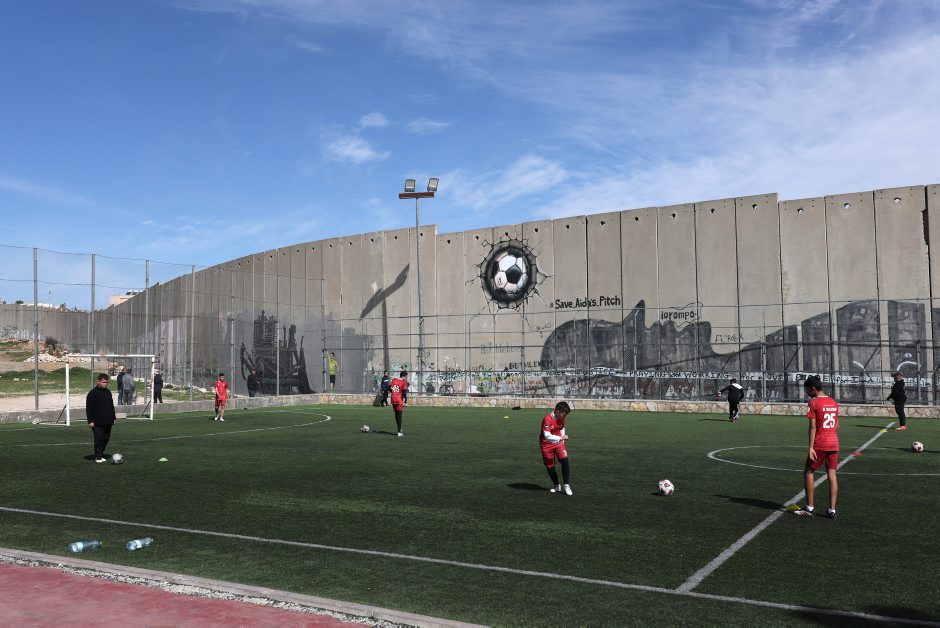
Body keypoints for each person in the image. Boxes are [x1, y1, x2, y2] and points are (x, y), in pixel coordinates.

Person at [794, 375, 839, 519]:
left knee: (808, 472)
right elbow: (836, 425)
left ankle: (809, 508)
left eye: (807, 389)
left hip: (820, 443)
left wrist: (810, 447)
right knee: (832, 475)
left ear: (813, 388)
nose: (806, 392)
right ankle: (832, 510)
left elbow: (812, 427)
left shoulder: (813, 403)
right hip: (834, 443)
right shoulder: (833, 402)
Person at [540, 401, 573, 495]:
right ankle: (556, 485)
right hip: (546, 444)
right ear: (558, 412)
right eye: (564, 415)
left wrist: (561, 440)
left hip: (558, 443)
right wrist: (560, 438)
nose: (565, 417)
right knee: (550, 466)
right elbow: (547, 436)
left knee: (565, 461)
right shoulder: (547, 419)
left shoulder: (561, 418)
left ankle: (566, 485)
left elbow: (562, 428)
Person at [86, 373, 117, 463]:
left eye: (106, 382)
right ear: (98, 382)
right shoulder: (92, 393)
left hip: (108, 420)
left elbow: (111, 406)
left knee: (106, 438)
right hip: (97, 421)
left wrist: (113, 418)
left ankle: (100, 453)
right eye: (103, 382)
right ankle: (98, 456)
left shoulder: (108, 392)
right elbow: (89, 408)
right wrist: (90, 421)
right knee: (98, 438)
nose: (105, 384)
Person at [389, 370, 409, 437]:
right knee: (399, 416)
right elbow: (404, 393)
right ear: (403, 376)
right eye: (406, 377)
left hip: (393, 399)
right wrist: (405, 402)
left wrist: (393, 392)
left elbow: (389, 387)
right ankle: (399, 432)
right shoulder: (403, 382)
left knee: (396, 415)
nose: (406, 378)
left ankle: (399, 429)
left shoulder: (394, 380)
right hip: (399, 400)